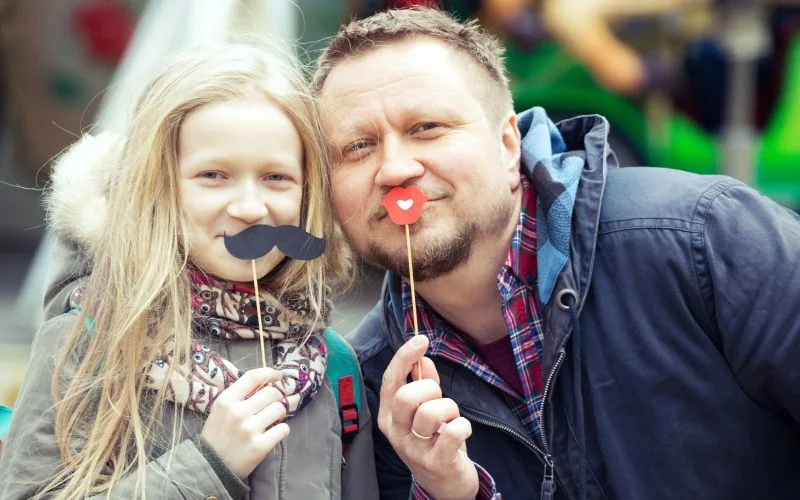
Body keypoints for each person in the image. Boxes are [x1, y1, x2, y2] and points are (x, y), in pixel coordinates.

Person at [312, 7, 800, 499]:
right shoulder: (370, 390)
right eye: (357, 147)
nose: (394, 169)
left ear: (507, 145)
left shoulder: (703, 237)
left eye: (427, 127)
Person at [0, 42, 379, 499]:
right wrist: (208, 465)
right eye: (213, 175)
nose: (248, 208)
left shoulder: (333, 363)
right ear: (157, 187)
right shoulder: (88, 339)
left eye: (276, 177)